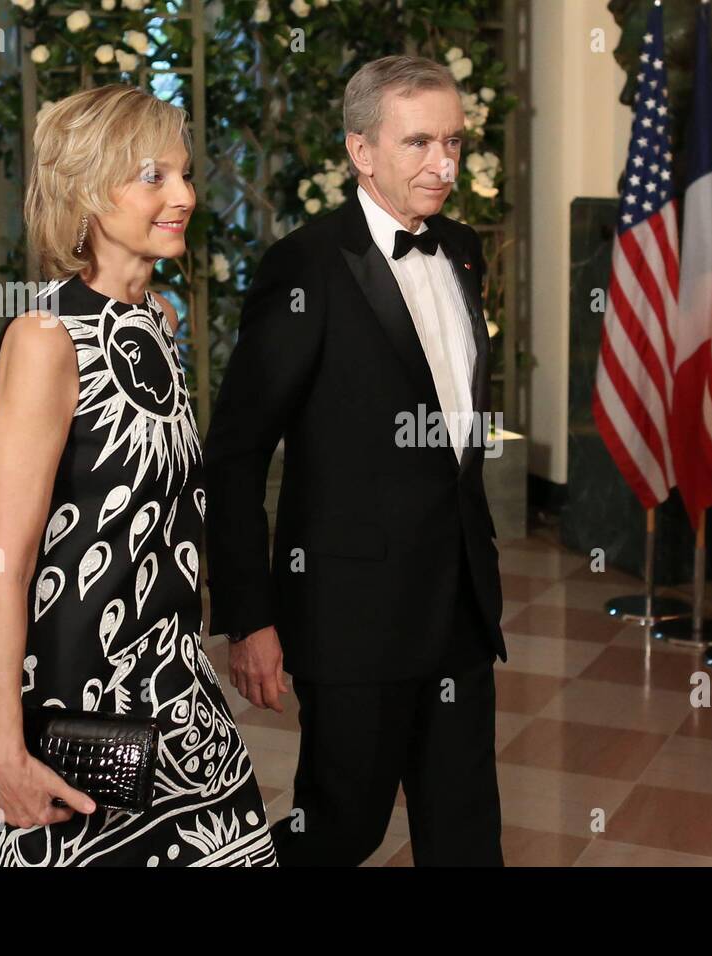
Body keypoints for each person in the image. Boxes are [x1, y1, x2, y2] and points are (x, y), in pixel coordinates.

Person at [0, 84, 276, 867]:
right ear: (87, 195)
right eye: (153, 176)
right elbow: (6, 568)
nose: (186, 196)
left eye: (185, 173)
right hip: (72, 708)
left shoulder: (154, 324)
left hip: (174, 694)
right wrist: (4, 752)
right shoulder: (44, 340)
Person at [204, 55, 507, 866]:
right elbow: (234, 452)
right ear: (361, 151)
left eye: (451, 141)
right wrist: (250, 616)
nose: (443, 164)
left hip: (461, 603)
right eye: (417, 143)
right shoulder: (304, 268)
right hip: (351, 613)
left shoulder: (465, 251)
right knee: (341, 826)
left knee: (466, 829)